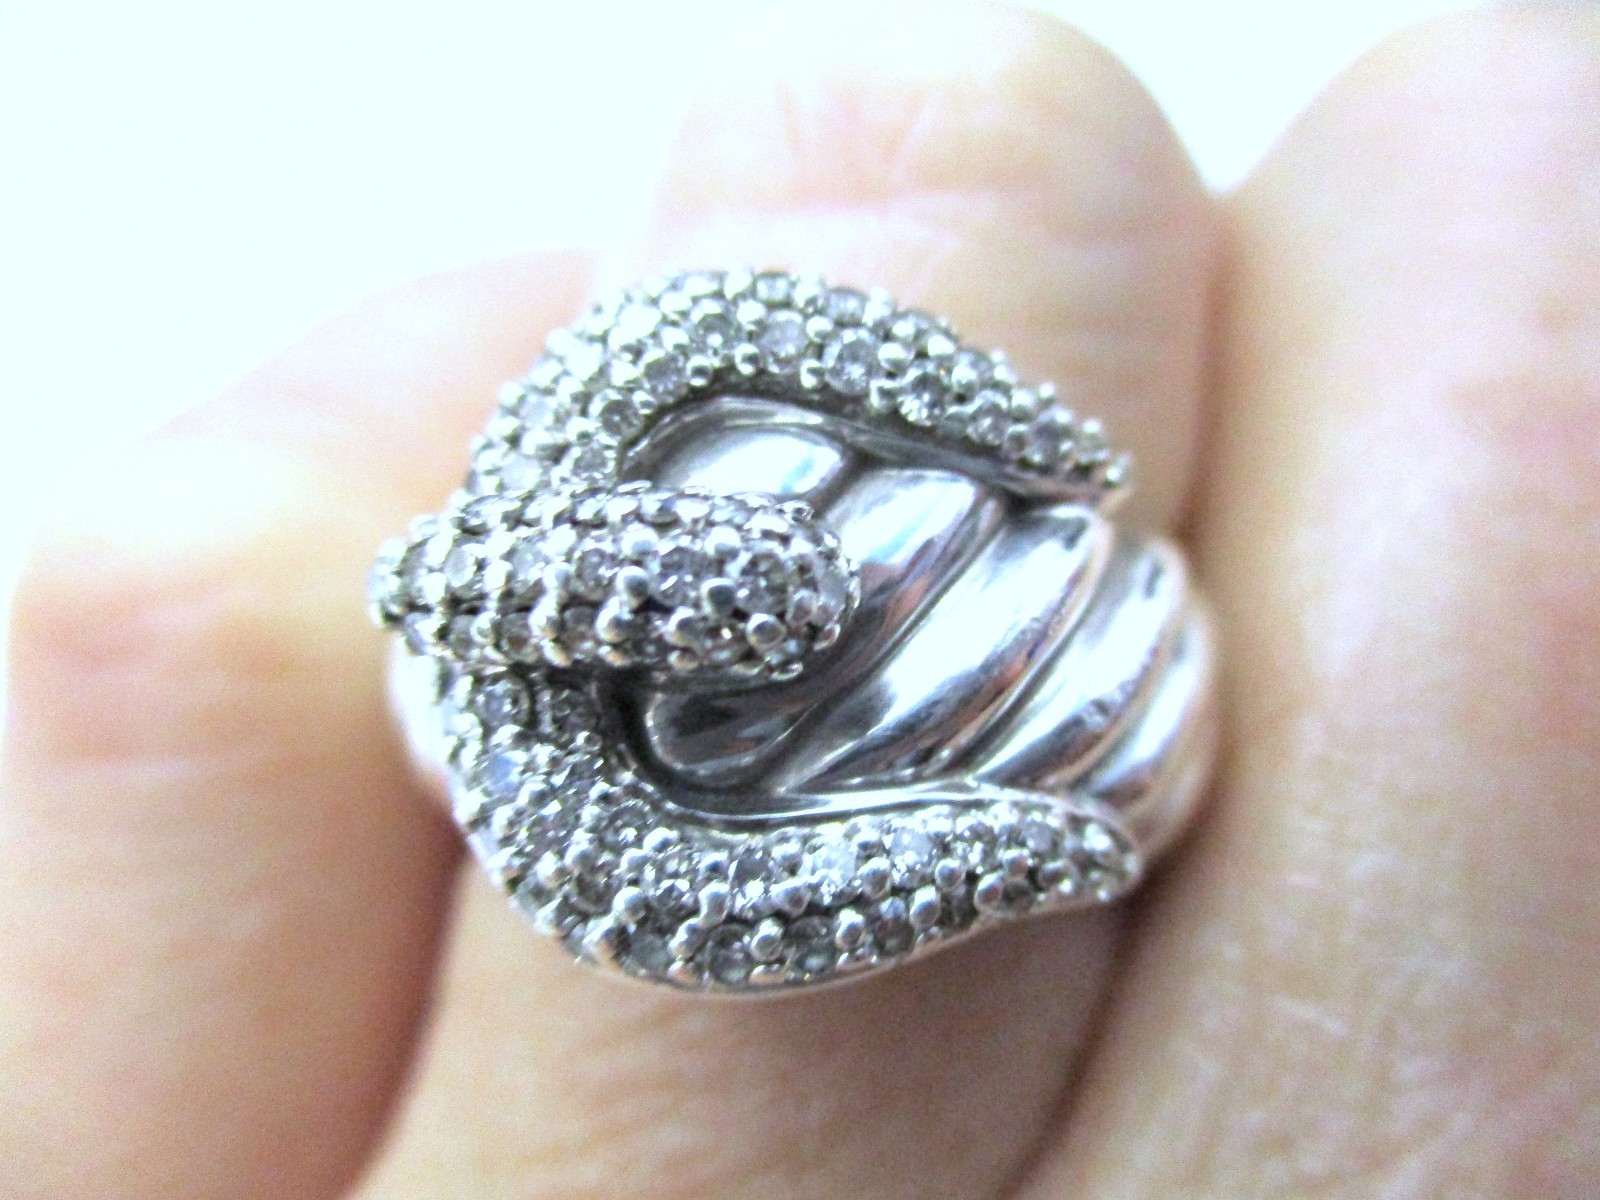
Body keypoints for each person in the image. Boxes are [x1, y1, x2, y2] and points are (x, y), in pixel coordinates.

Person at [2, 4, 1595, 1197]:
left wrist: (1037, 477)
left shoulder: (630, 405)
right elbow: (713, 866)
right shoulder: (578, 802)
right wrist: (1040, 792)